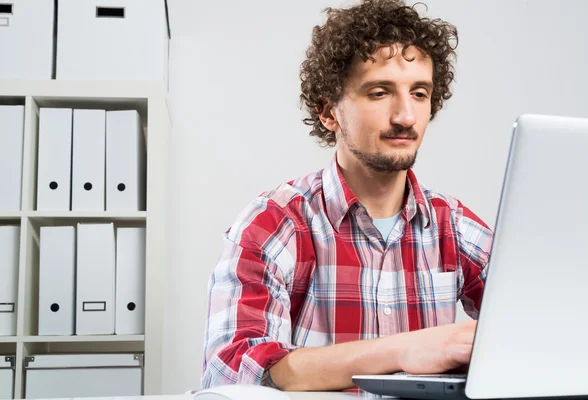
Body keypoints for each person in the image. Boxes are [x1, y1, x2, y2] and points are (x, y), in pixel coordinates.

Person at [200, 0, 493, 393]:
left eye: (419, 93)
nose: (405, 116)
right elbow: (233, 370)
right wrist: (404, 351)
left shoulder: (454, 225)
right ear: (328, 112)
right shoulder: (275, 223)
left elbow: (537, 327)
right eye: (379, 92)